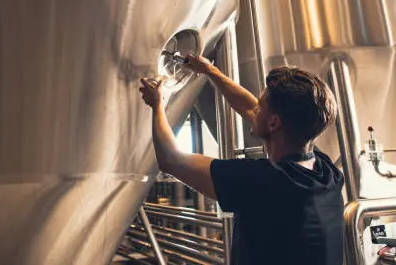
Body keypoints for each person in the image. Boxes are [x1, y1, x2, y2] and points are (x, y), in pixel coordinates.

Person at [139, 55, 344, 265]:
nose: (255, 109)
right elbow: (249, 107)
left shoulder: (265, 181)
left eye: (261, 106)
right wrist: (211, 71)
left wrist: (157, 106)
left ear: (274, 123)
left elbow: (171, 160)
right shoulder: (326, 172)